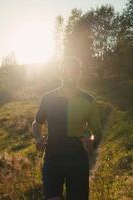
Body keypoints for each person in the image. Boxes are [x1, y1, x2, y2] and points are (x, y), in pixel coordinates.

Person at [32, 56, 101, 200]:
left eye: (75, 70)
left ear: (79, 73)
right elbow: (37, 123)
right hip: (52, 158)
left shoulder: (89, 101)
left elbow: (97, 132)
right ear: (61, 73)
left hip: (77, 160)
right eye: (67, 70)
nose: (71, 73)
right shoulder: (48, 98)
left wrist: (92, 141)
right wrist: (38, 138)